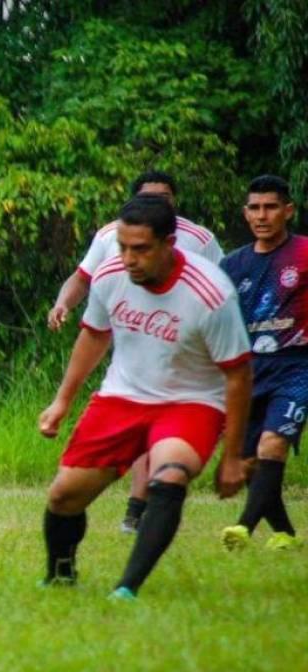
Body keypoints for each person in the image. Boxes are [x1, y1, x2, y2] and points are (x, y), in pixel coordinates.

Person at [37, 195, 252, 600]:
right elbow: (95, 336)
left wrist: (233, 456)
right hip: (122, 397)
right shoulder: (110, 275)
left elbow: (238, 375)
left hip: (191, 402)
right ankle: (60, 575)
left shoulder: (211, 294)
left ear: (169, 244)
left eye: (141, 249)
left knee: (169, 476)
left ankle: (127, 588)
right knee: (65, 495)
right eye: (122, 247)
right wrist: (62, 401)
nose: (129, 259)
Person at [47, 171, 225, 535]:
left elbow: (224, 291)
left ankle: (138, 510)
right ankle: (131, 510)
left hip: (181, 361)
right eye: (149, 197)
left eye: (165, 197)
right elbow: (84, 280)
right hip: (128, 353)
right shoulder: (109, 240)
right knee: (73, 485)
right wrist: (62, 304)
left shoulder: (200, 241)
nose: (158, 203)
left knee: (163, 444)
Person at [219, 175, 308, 551]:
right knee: (250, 461)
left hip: (297, 366)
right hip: (248, 371)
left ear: (288, 211)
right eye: (254, 208)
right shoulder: (231, 265)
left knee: (273, 445)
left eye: (270, 207)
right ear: (245, 213)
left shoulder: (304, 253)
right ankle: (285, 533)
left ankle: (242, 528)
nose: (262, 215)